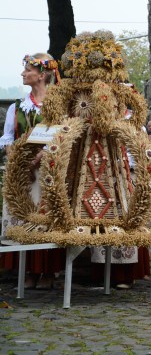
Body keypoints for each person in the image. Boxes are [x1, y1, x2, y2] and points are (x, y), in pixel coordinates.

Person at [0, 53, 64, 290]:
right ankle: (26, 269)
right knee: (21, 216)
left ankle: (46, 270)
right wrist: (15, 157)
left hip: (46, 171)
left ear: (42, 75)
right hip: (20, 172)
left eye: (27, 69)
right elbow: (8, 137)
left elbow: (61, 135)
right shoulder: (17, 107)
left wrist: (38, 158)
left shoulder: (56, 106)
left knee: (44, 219)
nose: (23, 73)